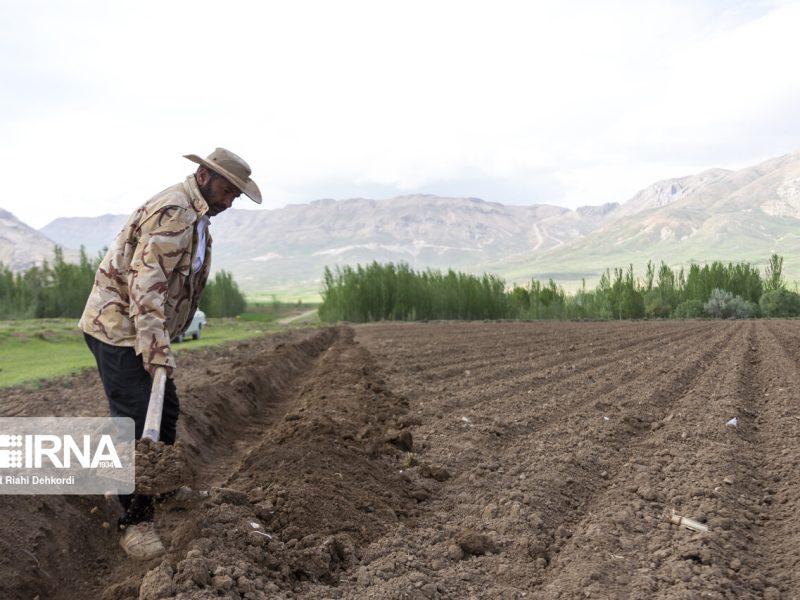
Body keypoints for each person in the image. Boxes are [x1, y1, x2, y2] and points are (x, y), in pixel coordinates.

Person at [79, 148, 261, 559]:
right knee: (135, 420)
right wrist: (155, 347)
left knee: (167, 410)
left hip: (141, 330)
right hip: (118, 329)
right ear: (203, 175)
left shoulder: (197, 217)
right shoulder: (175, 213)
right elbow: (146, 285)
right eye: (228, 190)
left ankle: (159, 487)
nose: (230, 201)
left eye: (236, 195)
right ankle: (132, 520)